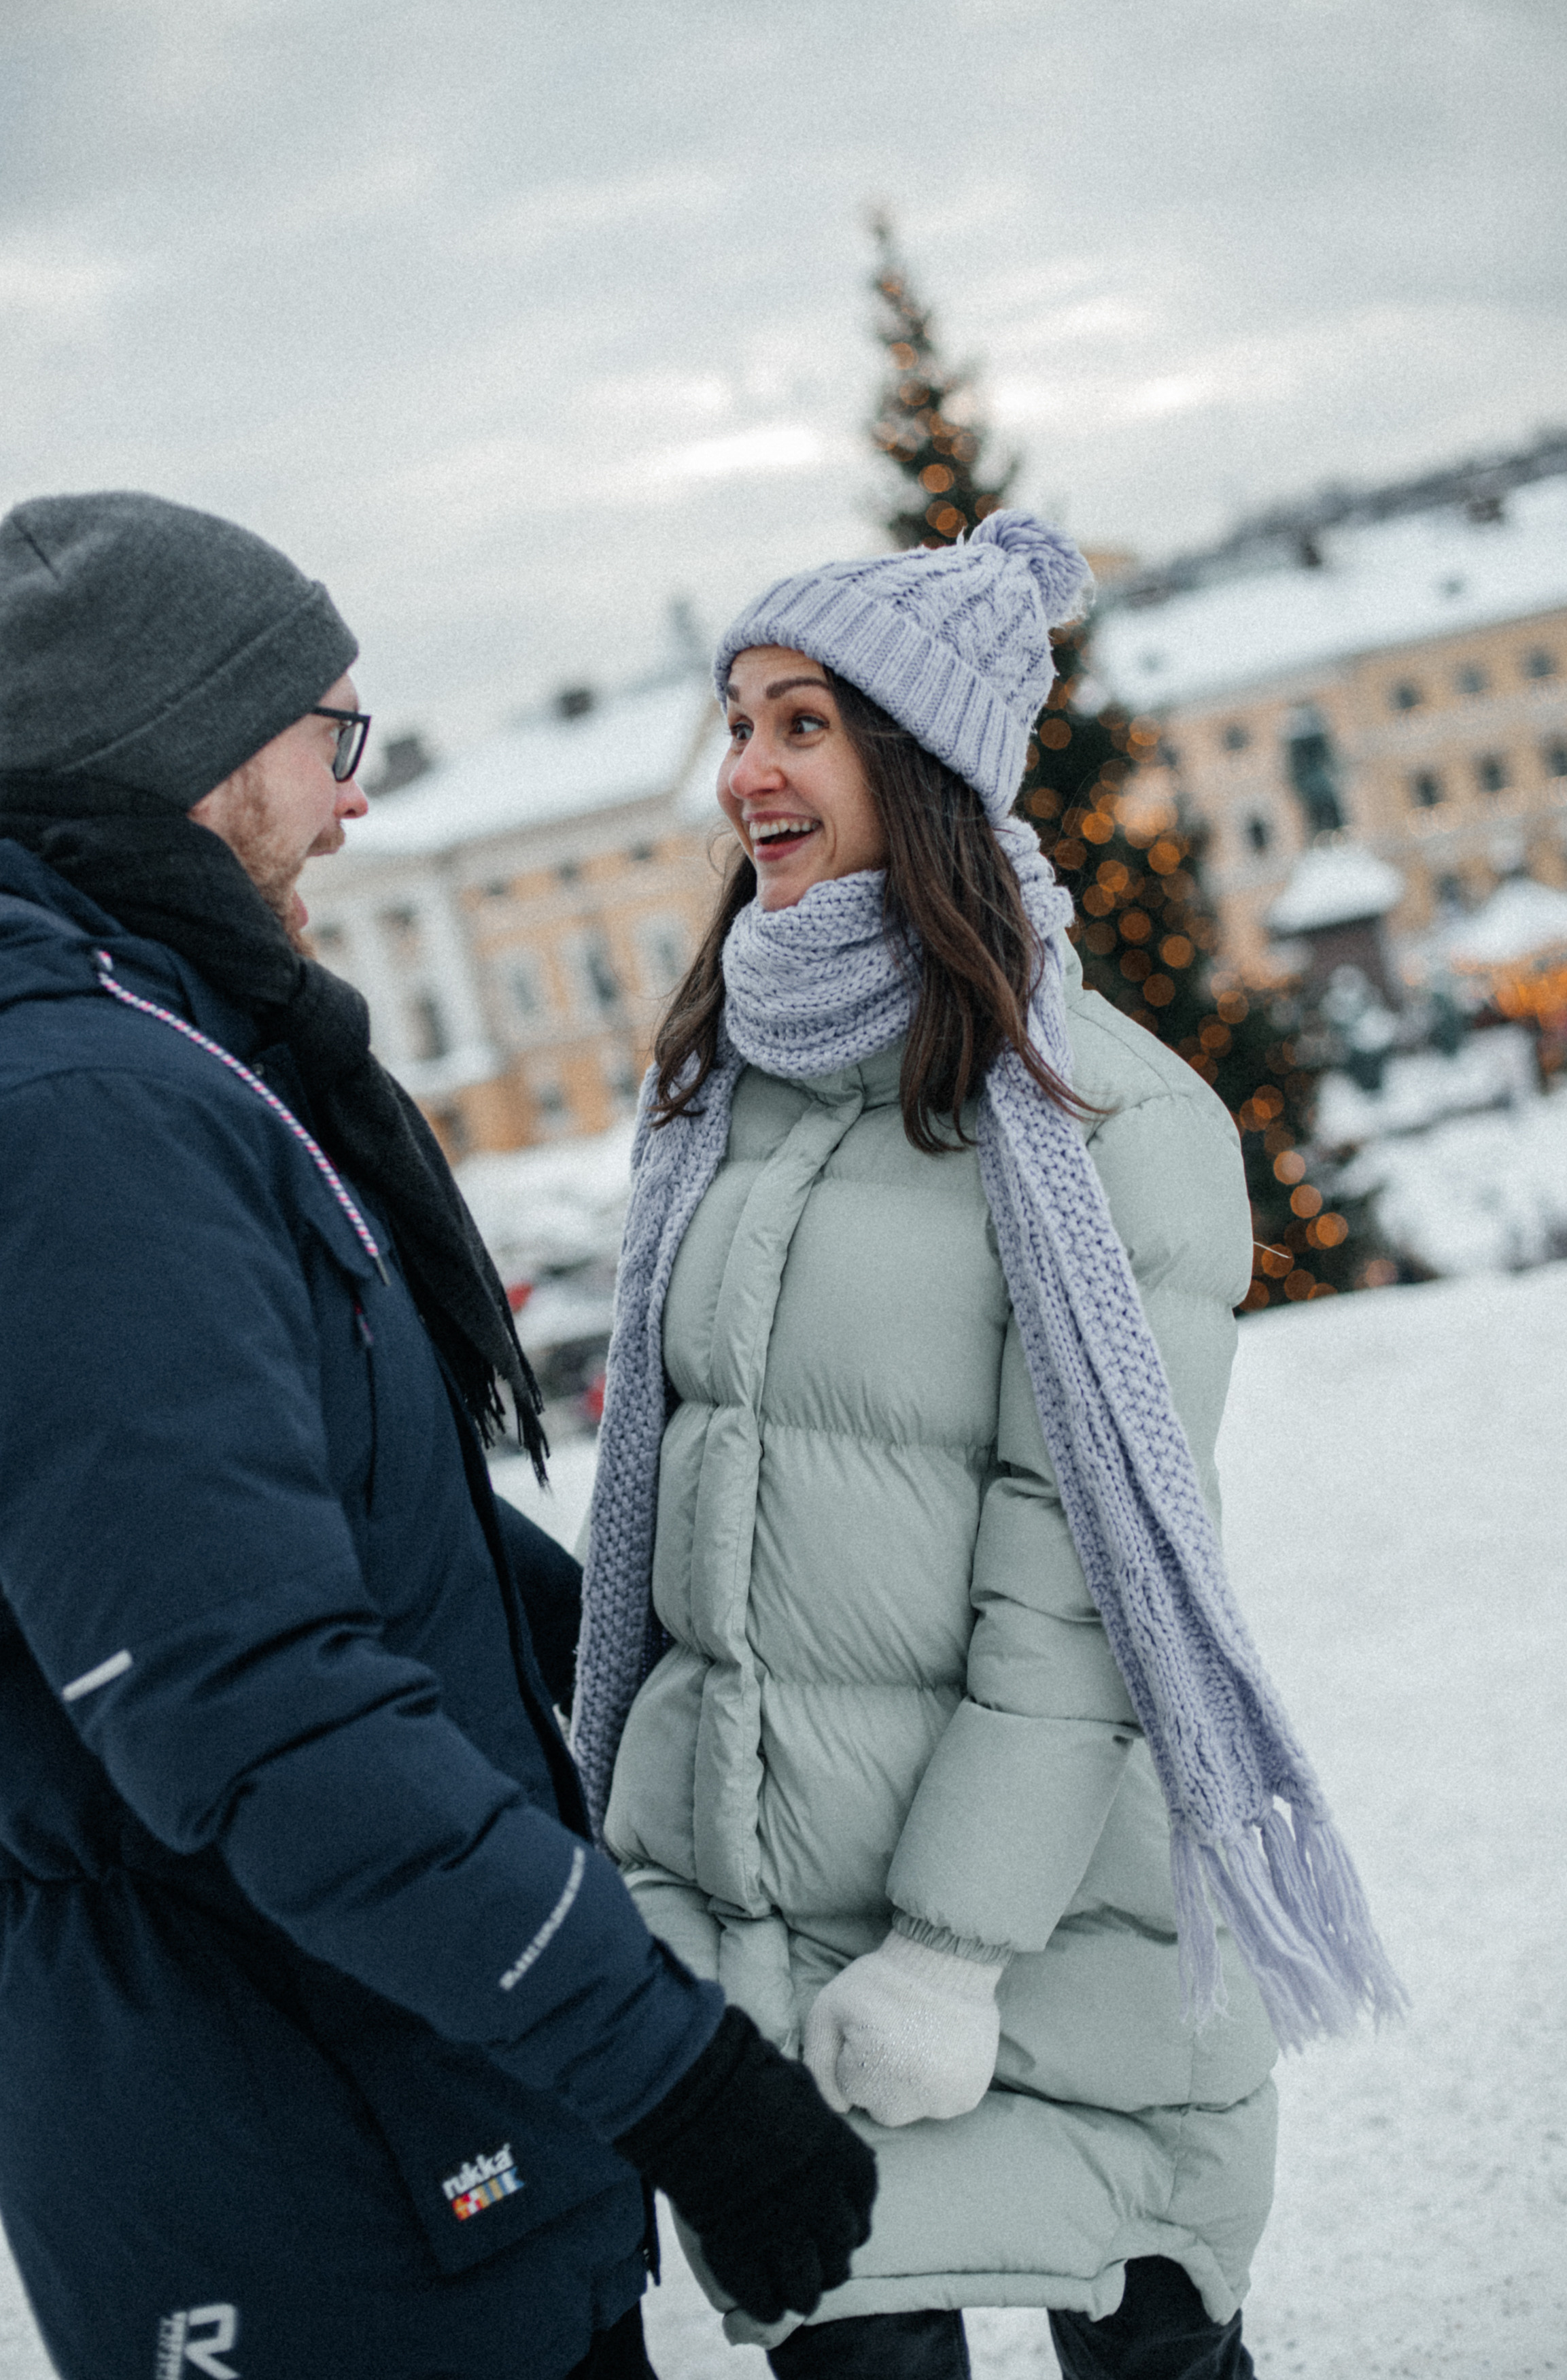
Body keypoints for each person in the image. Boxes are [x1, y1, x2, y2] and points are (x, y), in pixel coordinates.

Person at [0, 491, 876, 2380]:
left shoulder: (128, 1048)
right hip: (321, 2181)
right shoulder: (83, 1111)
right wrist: (679, 2075)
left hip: (374, 2122)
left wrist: (659, 1628)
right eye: (336, 735)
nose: (354, 798)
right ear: (195, 751)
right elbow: (258, 1704)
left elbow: (317, 1550)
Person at [572, 512, 1404, 2378]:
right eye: (735, 723)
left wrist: (952, 1947)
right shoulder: (726, 1090)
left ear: (918, 761)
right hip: (781, 1935)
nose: (746, 771)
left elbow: (1084, 1589)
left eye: (801, 723)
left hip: (1054, 1925)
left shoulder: (1109, 1120)